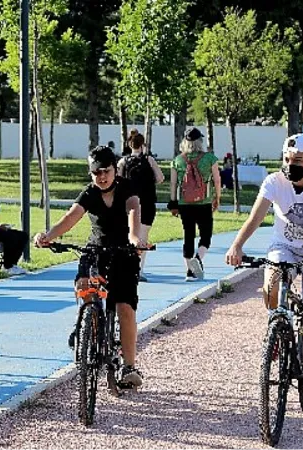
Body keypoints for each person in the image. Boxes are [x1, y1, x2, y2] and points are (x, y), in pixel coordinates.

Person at [225, 133, 303, 409]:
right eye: (287, 160)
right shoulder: (274, 182)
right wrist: (237, 246)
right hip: (284, 246)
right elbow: (256, 217)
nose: (291, 165)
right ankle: (278, 326)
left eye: (298, 160)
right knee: (271, 285)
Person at [34, 145, 147, 388]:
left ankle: (129, 366)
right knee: (84, 285)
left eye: (105, 171)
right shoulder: (89, 193)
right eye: (96, 173)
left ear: (115, 170)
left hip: (123, 252)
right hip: (96, 250)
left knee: (125, 307)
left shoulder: (127, 189)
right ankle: (88, 327)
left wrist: (136, 239)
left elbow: (133, 212)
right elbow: (70, 218)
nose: (101, 177)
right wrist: (48, 236)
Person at [167, 127, 221, 282]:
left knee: (188, 236)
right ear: (200, 141)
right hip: (204, 202)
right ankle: (198, 257)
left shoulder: (177, 160)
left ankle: (189, 272)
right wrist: (217, 197)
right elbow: (217, 180)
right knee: (206, 235)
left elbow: (173, 184)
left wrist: (173, 203)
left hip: (185, 203)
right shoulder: (210, 158)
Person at [117, 133, 164, 282]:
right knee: (143, 236)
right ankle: (138, 270)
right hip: (147, 203)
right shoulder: (149, 160)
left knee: (127, 235)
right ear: (143, 144)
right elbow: (160, 178)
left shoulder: (123, 161)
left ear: (129, 145)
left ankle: (124, 269)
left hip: (128, 204)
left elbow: (117, 181)